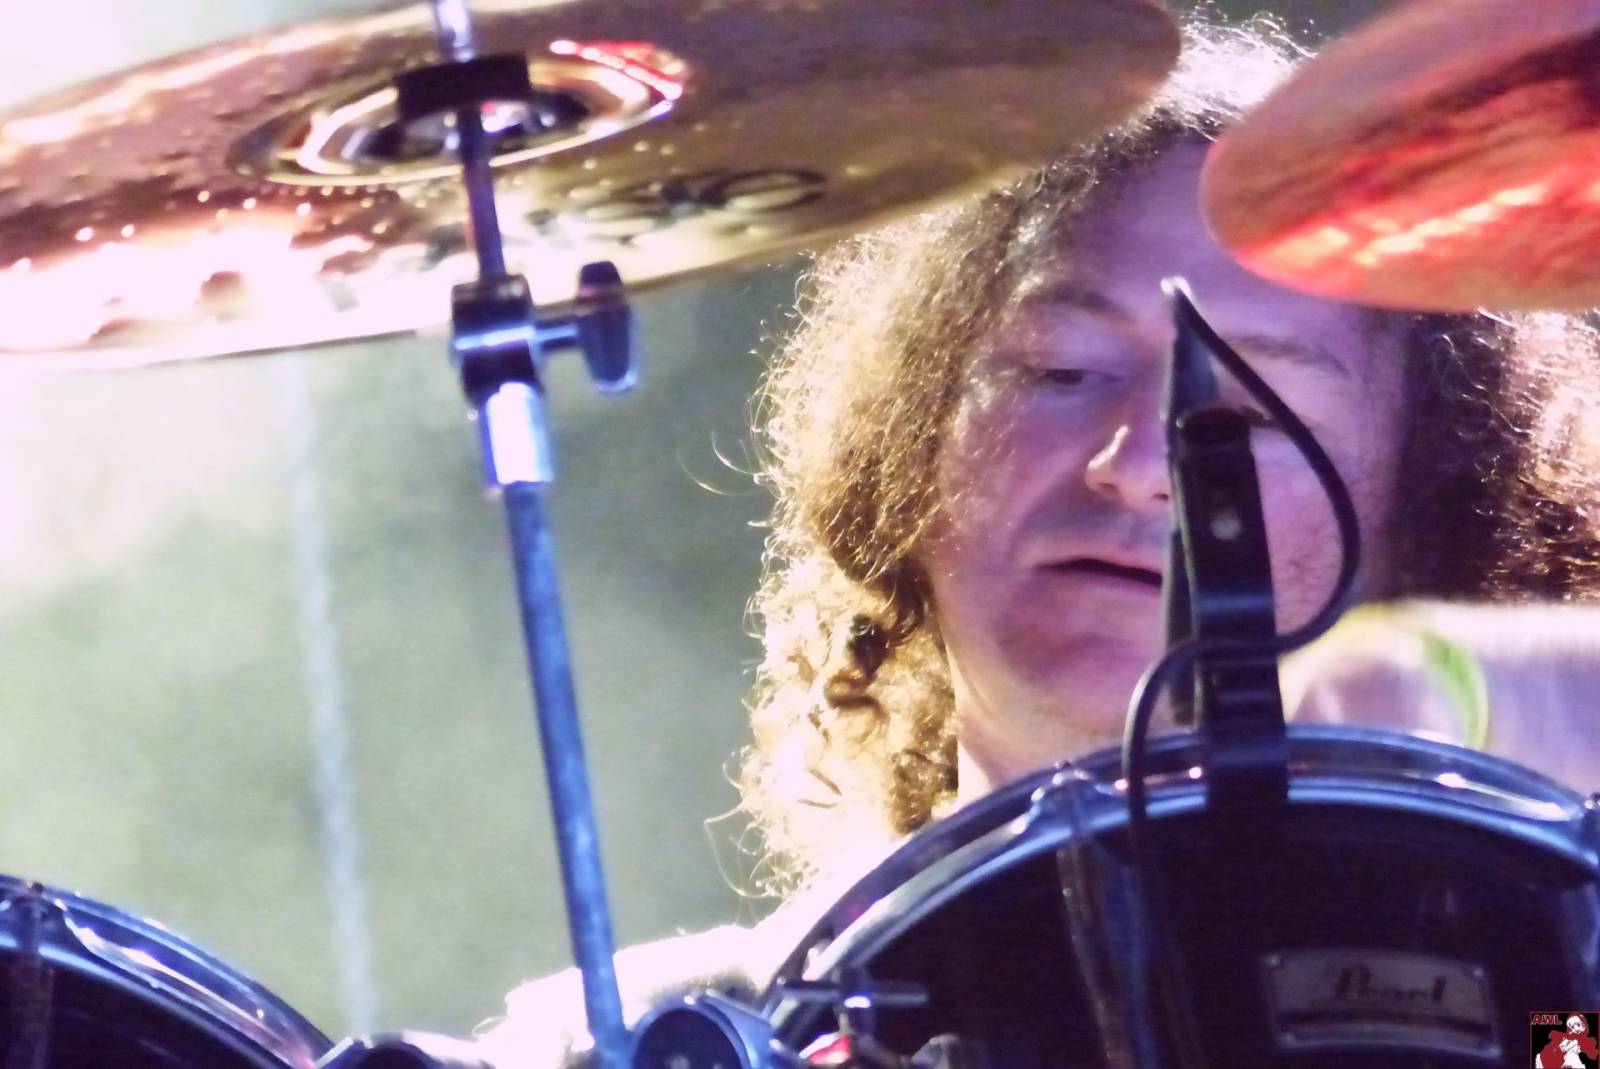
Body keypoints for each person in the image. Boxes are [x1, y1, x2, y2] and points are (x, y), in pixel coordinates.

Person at [476, 16, 1600, 1067]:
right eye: (1061, 370)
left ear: (1439, 490)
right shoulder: (652, 1033)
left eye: (1255, 413)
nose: (1140, 459)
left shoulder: (1566, 995)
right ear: (912, 435)